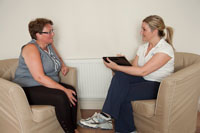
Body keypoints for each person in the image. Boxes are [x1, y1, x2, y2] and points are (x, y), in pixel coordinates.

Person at [79, 15, 174, 133]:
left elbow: (143, 71)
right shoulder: (143, 47)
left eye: (144, 29)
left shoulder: (165, 49)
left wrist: (118, 66)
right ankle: (110, 121)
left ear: (154, 31)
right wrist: (121, 63)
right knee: (120, 76)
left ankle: (110, 121)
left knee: (123, 93)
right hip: (142, 80)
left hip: (158, 86)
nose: (140, 32)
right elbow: (134, 69)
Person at [13, 18, 78, 133]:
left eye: (52, 31)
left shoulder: (49, 45)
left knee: (71, 90)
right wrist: (63, 90)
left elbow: (58, 58)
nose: (53, 34)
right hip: (28, 88)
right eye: (49, 32)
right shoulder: (31, 48)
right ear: (38, 34)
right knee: (62, 95)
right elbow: (39, 77)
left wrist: (63, 65)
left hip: (43, 85)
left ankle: (73, 128)